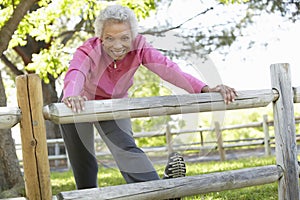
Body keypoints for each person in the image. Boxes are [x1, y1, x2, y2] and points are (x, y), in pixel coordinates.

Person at [60, 4, 237, 196]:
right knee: (82, 160)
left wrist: (204, 89)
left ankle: (161, 192)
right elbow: (76, 71)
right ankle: (87, 196)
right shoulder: (88, 49)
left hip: (113, 103)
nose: (117, 46)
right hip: (78, 103)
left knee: (126, 148)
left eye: (125, 38)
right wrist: (72, 94)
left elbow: (167, 68)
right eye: (110, 38)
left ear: (133, 36)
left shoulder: (140, 47)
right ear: (100, 37)